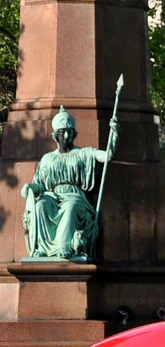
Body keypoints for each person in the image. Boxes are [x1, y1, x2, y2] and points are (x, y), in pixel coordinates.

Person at [21, 106, 116, 261]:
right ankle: (44, 249)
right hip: (53, 195)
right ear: (55, 136)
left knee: (70, 206)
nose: (66, 135)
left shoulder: (83, 153)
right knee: (40, 205)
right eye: (62, 132)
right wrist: (30, 187)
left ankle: (65, 247)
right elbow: (40, 185)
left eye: (70, 132)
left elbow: (108, 156)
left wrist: (114, 135)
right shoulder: (47, 159)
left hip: (74, 196)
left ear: (75, 134)